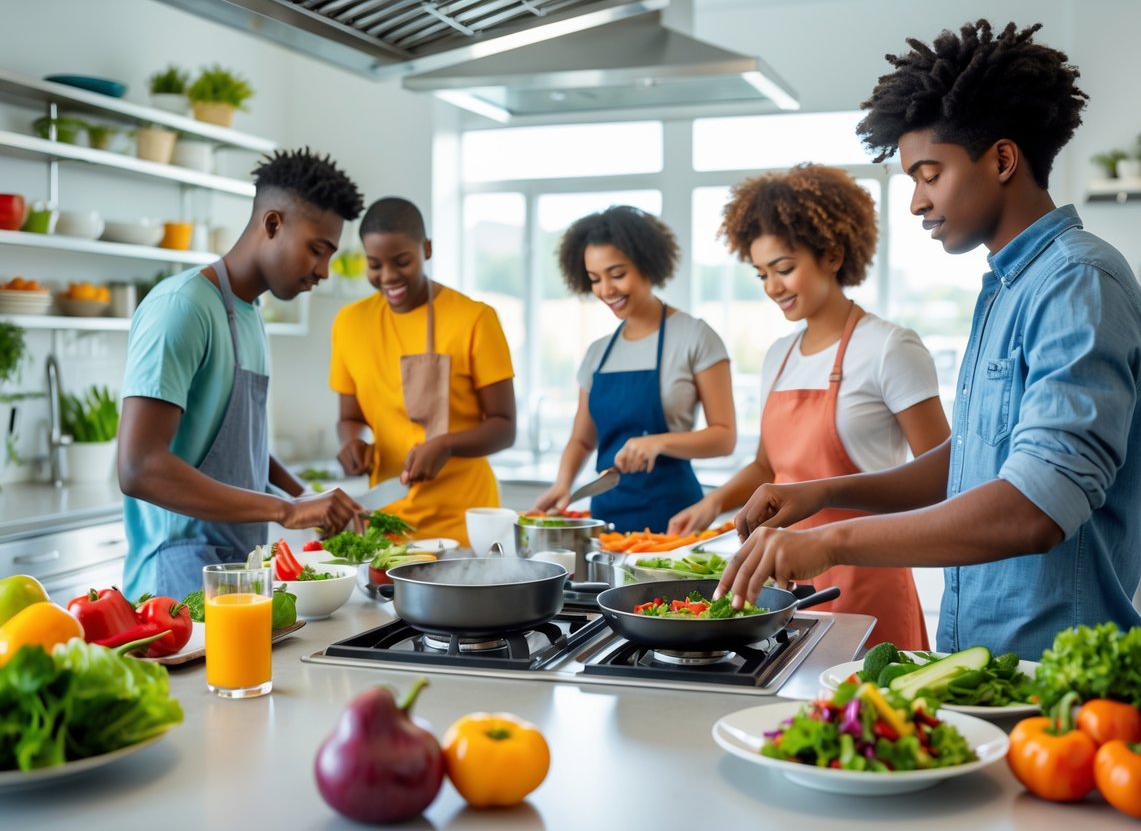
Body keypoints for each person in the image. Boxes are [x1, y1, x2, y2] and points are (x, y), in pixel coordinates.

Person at [715, 19, 1141, 661]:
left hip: (1056, 673)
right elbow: (970, 463)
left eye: (929, 174)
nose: (917, 202)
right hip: (985, 660)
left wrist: (832, 541)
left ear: (1001, 160)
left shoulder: (1077, 283)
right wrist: (828, 494)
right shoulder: (1007, 289)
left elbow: (1036, 507)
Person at [669, 164, 951, 649]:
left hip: (869, 583)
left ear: (833, 254)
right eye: (762, 274)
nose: (772, 287)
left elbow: (946, 478)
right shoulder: (779, 356)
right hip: (785, 587)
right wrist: (712, 504)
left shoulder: (889, 347)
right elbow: (767, 467)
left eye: (783, 269)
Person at [119, 147, 367, 600]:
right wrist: (286, 510)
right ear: (272, 225)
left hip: (233, 577)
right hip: (172, 585)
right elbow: (139, 468)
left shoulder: (249, 315)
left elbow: (237, 450)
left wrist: (306, 497)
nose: (324, 272)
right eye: (317, 250)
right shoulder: (182, 307)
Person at [532, 206, 736, 532]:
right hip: (605, 524)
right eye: (595, 279)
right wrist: (563, 482)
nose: (605, 290)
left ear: (647, 263)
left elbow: (724, 438)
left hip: (675, 523)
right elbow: (582, 440)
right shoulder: (598, 353)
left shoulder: (695, 337)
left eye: (617, 274)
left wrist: (659, 442)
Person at [330, 197, 516, 545]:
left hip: (465, 527)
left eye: (402, 261)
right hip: (386, 526)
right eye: (374, 265)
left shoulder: (475, 319)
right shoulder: (349, 323)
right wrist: (353, 442)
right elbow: (350, 417)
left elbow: (505, 427)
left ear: (426, 249)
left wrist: (446, 445)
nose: (388, 276)